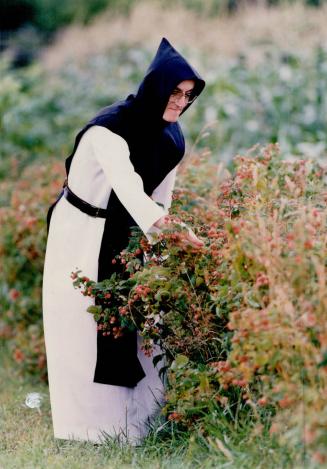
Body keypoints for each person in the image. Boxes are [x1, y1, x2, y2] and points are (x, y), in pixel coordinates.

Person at [42, 37, 205, 445]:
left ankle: (138, 425)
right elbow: (131, 192)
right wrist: (176, 234)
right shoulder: (108, 132)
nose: (180, 103)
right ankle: (86, 431)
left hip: (130, 231)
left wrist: (162, 241)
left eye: (188, 96)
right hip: (81, 230)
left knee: (144, 318)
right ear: (156, 87)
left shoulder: (171, 137)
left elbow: (159, 197)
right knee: (81, 323)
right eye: (175, 93)